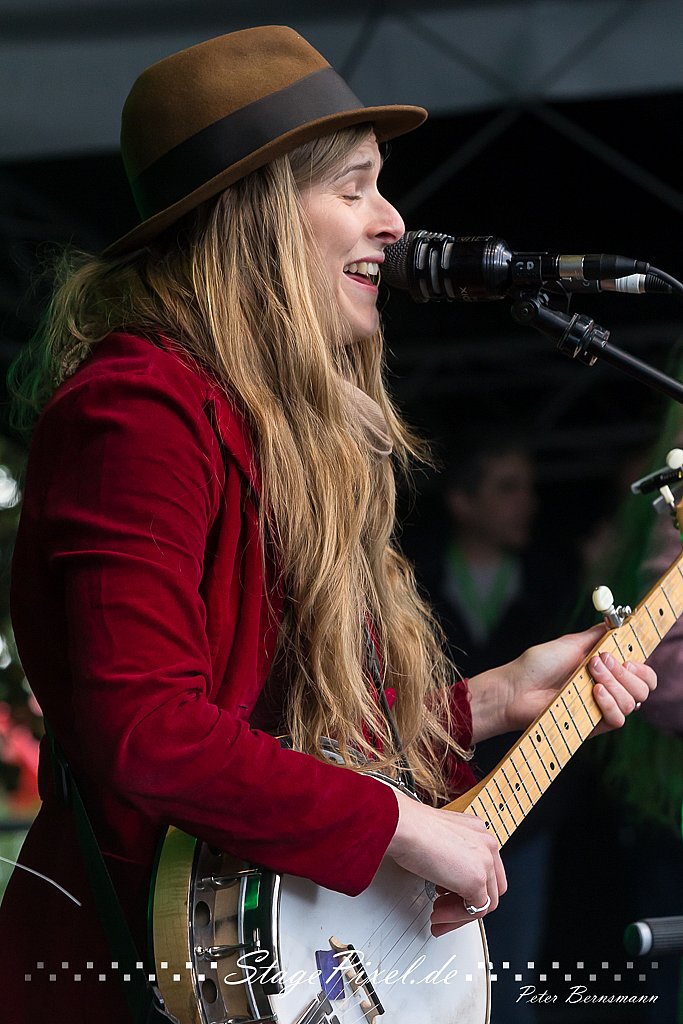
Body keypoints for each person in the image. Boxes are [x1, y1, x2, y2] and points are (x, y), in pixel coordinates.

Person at [0, 26, 655, 1024]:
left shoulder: (282, 429)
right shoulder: (136, 408)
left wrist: (488, 700)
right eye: (354, 188)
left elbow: (294, 739)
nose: (393, 222)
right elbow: (148, 727)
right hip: (128, 969)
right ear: (256, 213)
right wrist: (402, 825)